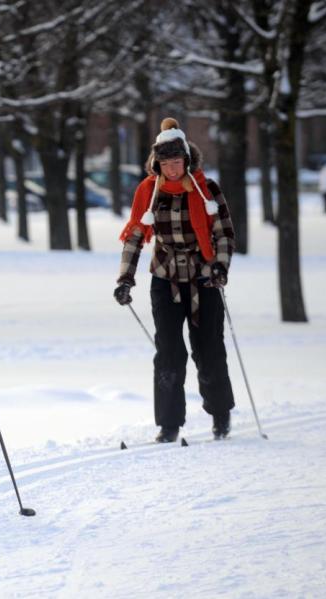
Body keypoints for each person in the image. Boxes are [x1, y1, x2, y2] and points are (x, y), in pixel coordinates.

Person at [114, 118, 236, 443]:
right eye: (165, 163)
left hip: (204, 279)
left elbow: (224, 233)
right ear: (157, 164)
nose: (171, 169)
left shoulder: (206, 189)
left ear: (187, 160)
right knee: (168, 353)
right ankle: (168, 424)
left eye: (177, 162)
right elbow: (136, 235)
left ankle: (220, 413)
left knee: (208, 349)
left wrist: (220, 266)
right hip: (165, 279)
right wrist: (125, 277)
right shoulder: (149, 191)